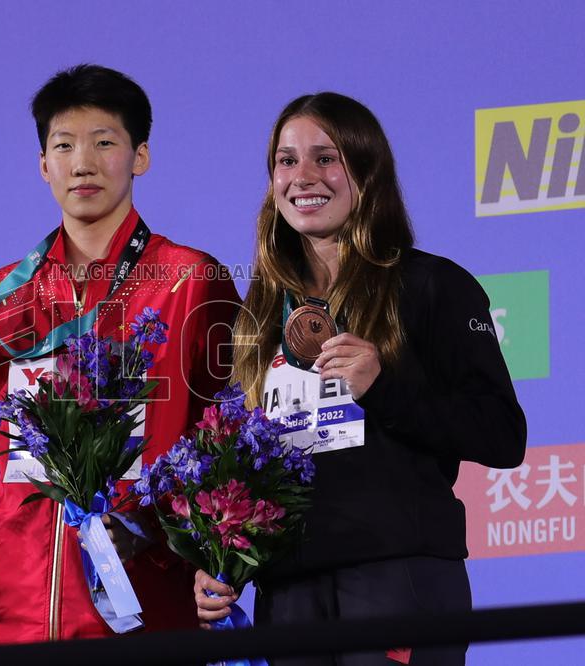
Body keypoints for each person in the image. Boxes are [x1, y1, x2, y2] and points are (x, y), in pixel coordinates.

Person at [0, 64, 240, 644]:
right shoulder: (5, 290)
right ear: (43, 165)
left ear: (140, 156)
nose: (83, 163)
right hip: (12, 608)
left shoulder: (190, 279)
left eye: (104, 142)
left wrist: (152, 532)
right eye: (64, 146)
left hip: (142, 609)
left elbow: (221, 441)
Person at [194, 92, 527, 665]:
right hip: (288, 594)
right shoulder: (257, 314)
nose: (303, 177)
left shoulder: (432, 286)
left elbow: (502, 434)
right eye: (286, 160)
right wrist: (219, 554)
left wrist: (384, 387)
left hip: (396, 579)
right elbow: (238, 457)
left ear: (367, 170)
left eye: (326, 158)